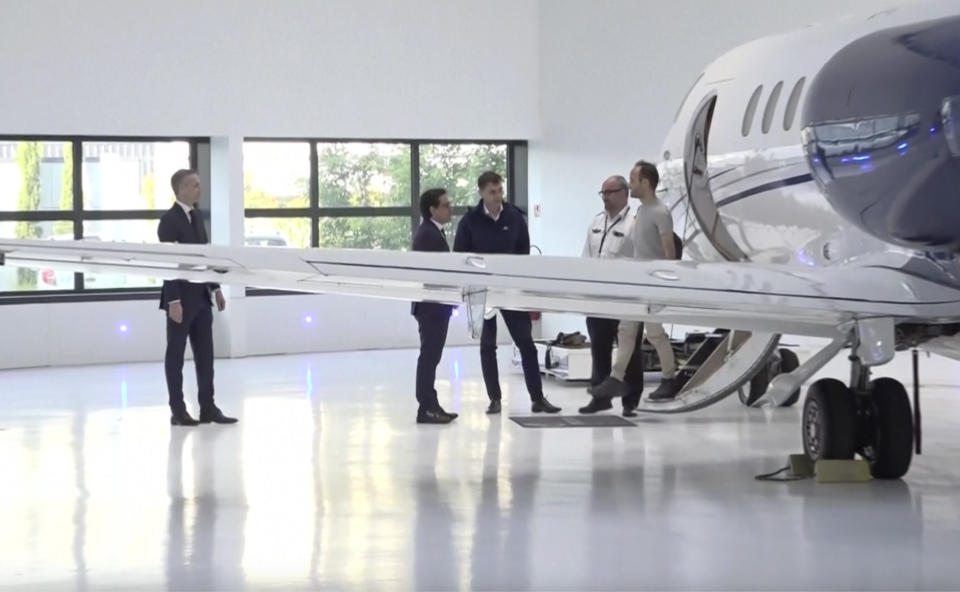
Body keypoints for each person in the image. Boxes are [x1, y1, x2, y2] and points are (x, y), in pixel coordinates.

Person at [454, 171, 561, 415]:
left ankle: (537, 398)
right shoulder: (469, 222)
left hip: (511, 289)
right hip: (480, 291)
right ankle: (495, 398)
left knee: (526, 342)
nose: (498, 196)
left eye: (500, 190)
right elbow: (459, 256)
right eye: (492, 192)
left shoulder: (514, 217)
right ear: (481, 192)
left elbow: (524, 254)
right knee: (487, 345)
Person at [591, 160, 680, 402]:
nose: (630, 185)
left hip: (653, 285)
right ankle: (616, 379)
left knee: (654, 333)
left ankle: (670, 378)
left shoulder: (660, 213)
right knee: (626, 331)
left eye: (632, 180)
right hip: (637, 284)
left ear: (645, 182)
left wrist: (666, 283)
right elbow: (635, 247)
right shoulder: (641, 211)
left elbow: (669, 251)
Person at [158, 169, 236, 426]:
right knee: (176, 356)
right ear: (180, 189)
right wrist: (173, 301)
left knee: (206, 355)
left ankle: (208, 407)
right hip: (180, 300)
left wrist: (216, 288)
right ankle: (177, 410)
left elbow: (206, 257)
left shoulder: (198, 217)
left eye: (199, 185)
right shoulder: (169, 221)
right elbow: (168, 264)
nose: (198, 189)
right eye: (194, 185)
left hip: (202, 298)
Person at [577, 175, 647, 417]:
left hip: (625, 299)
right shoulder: (596, 222)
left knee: (629, 350)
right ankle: (600, 397)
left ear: (623, 193)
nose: (604, 197)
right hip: (598, 297)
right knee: (599, 347)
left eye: (609, 192)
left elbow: (642, 259)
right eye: (602, 193)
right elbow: (586, 256)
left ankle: (631, 400)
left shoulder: (635, 223)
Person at [411, 188, 459, 424]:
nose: (450, 209)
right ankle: (426, 407)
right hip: (432, 307)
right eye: (445, 205)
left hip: (435, 306)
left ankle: (431, 404)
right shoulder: (429, 235)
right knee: (429, 356)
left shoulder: (432, 232)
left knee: (432, 356)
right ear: (433, 209)